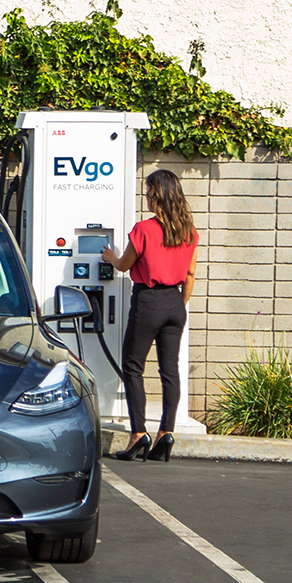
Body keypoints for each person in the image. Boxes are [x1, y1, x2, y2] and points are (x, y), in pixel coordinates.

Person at [101, 170, 200, 462]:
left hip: (148, 301)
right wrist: (177, 304)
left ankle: (137, 434)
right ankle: (166, 433)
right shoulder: (189, 231)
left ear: (156, 193)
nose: (145, 195)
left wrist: (110, 257)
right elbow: (191, 274)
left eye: (147, 191)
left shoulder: (143, 229)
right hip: (175, 303)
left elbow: (123, 265)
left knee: (133, 367)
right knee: (170, 371)